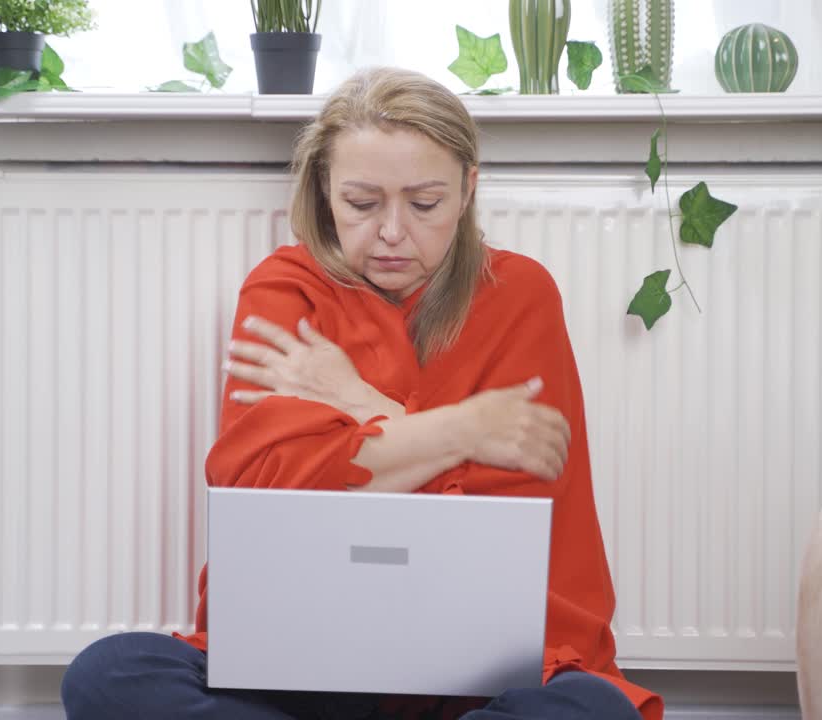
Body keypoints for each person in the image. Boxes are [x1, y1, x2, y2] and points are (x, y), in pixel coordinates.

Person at [61, 66, 663, 720]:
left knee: (589, 710)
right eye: (362, 203)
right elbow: (264, 500)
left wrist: (354, 405)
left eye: (425, 204)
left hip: (484, 667)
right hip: (303, 657)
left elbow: (501, 530)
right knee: (109, 673)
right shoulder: (282, 288)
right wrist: (463, 431)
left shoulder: (521, 294)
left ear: (467, 191)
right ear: (325, 194)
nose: (393, 232)